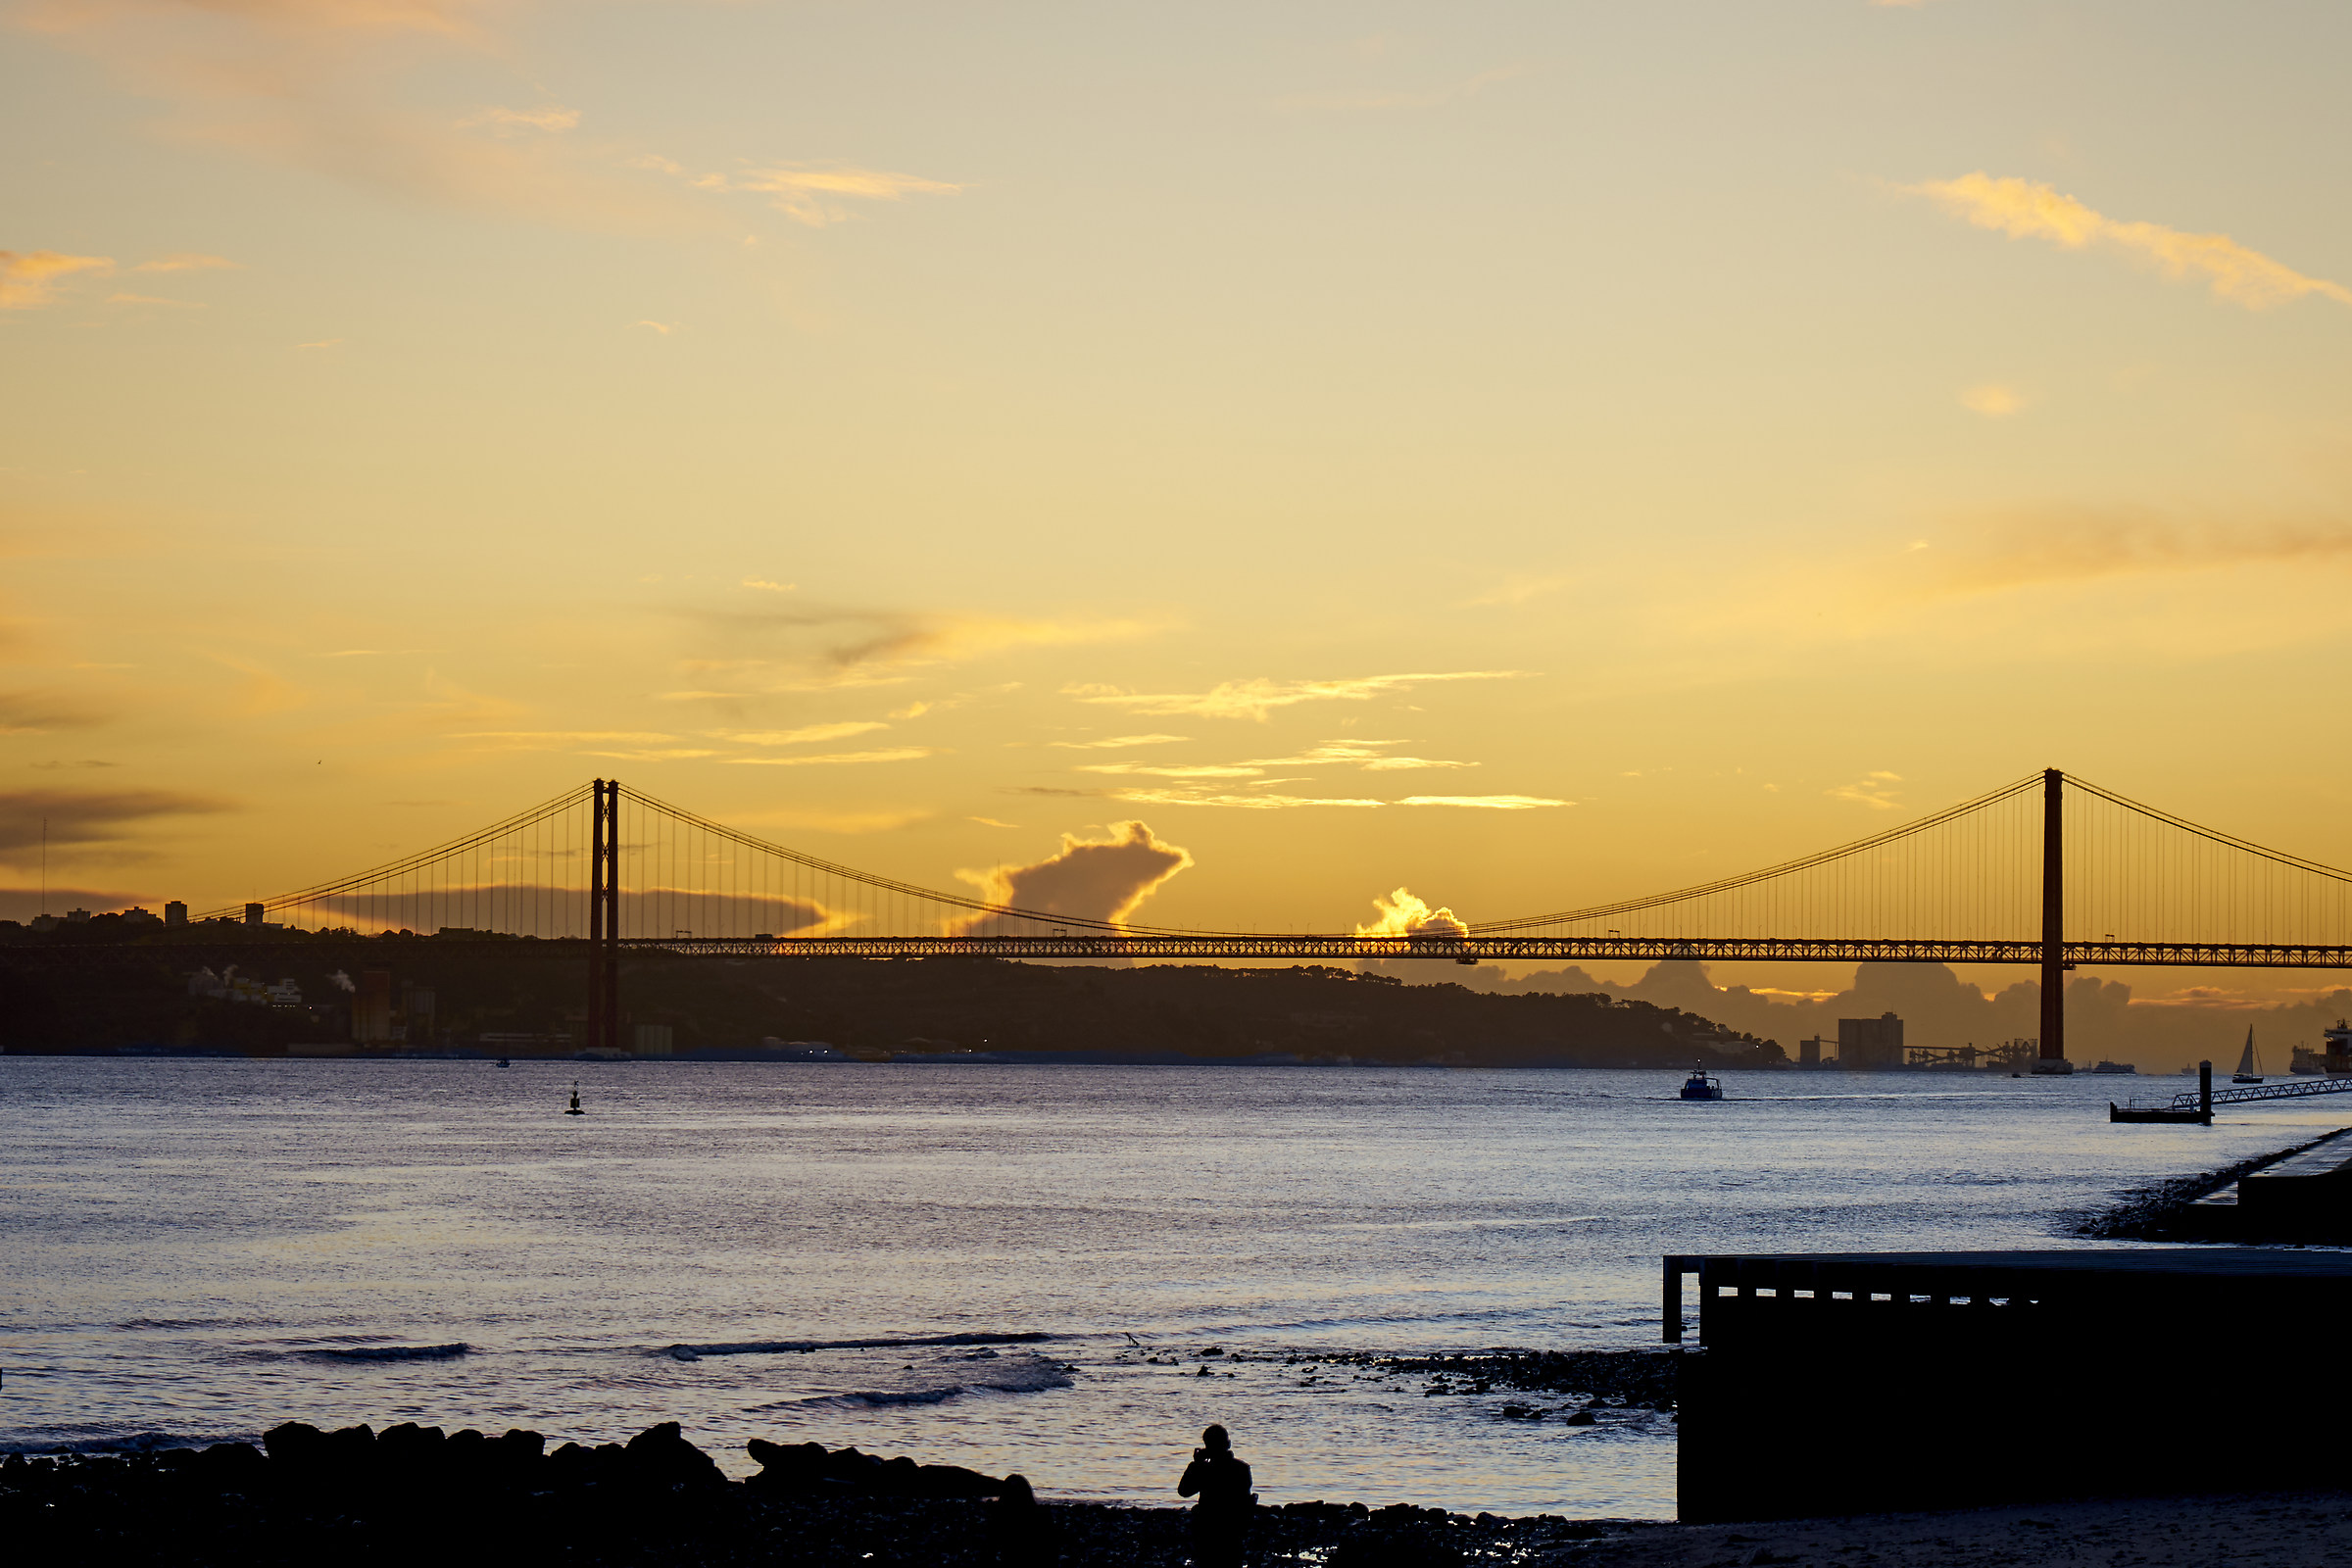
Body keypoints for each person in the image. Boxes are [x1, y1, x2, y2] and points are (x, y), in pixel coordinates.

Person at [1176, 1424, 1254, 1566]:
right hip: (1233, 1529)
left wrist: (1196, 1464)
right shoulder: (1242, 1468)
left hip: (1208, 1529)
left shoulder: (1206, 1469)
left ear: (1207, 1447)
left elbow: (1184, 1491)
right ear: (1228, 1444)